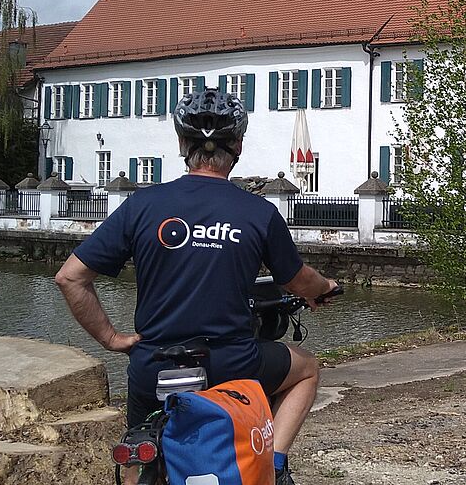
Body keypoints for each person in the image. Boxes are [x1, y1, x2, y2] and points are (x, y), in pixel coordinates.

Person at [55, 88, 338, 485]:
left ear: (182, 143)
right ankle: (271, 463)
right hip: (232, 364)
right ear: (237, 145)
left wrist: (112, 338)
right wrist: (323, 286)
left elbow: (70, 277)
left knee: (139, 450)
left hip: (154, 363)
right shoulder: (258, 213)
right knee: (306, 368)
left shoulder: (142, 205)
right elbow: (298, 280)